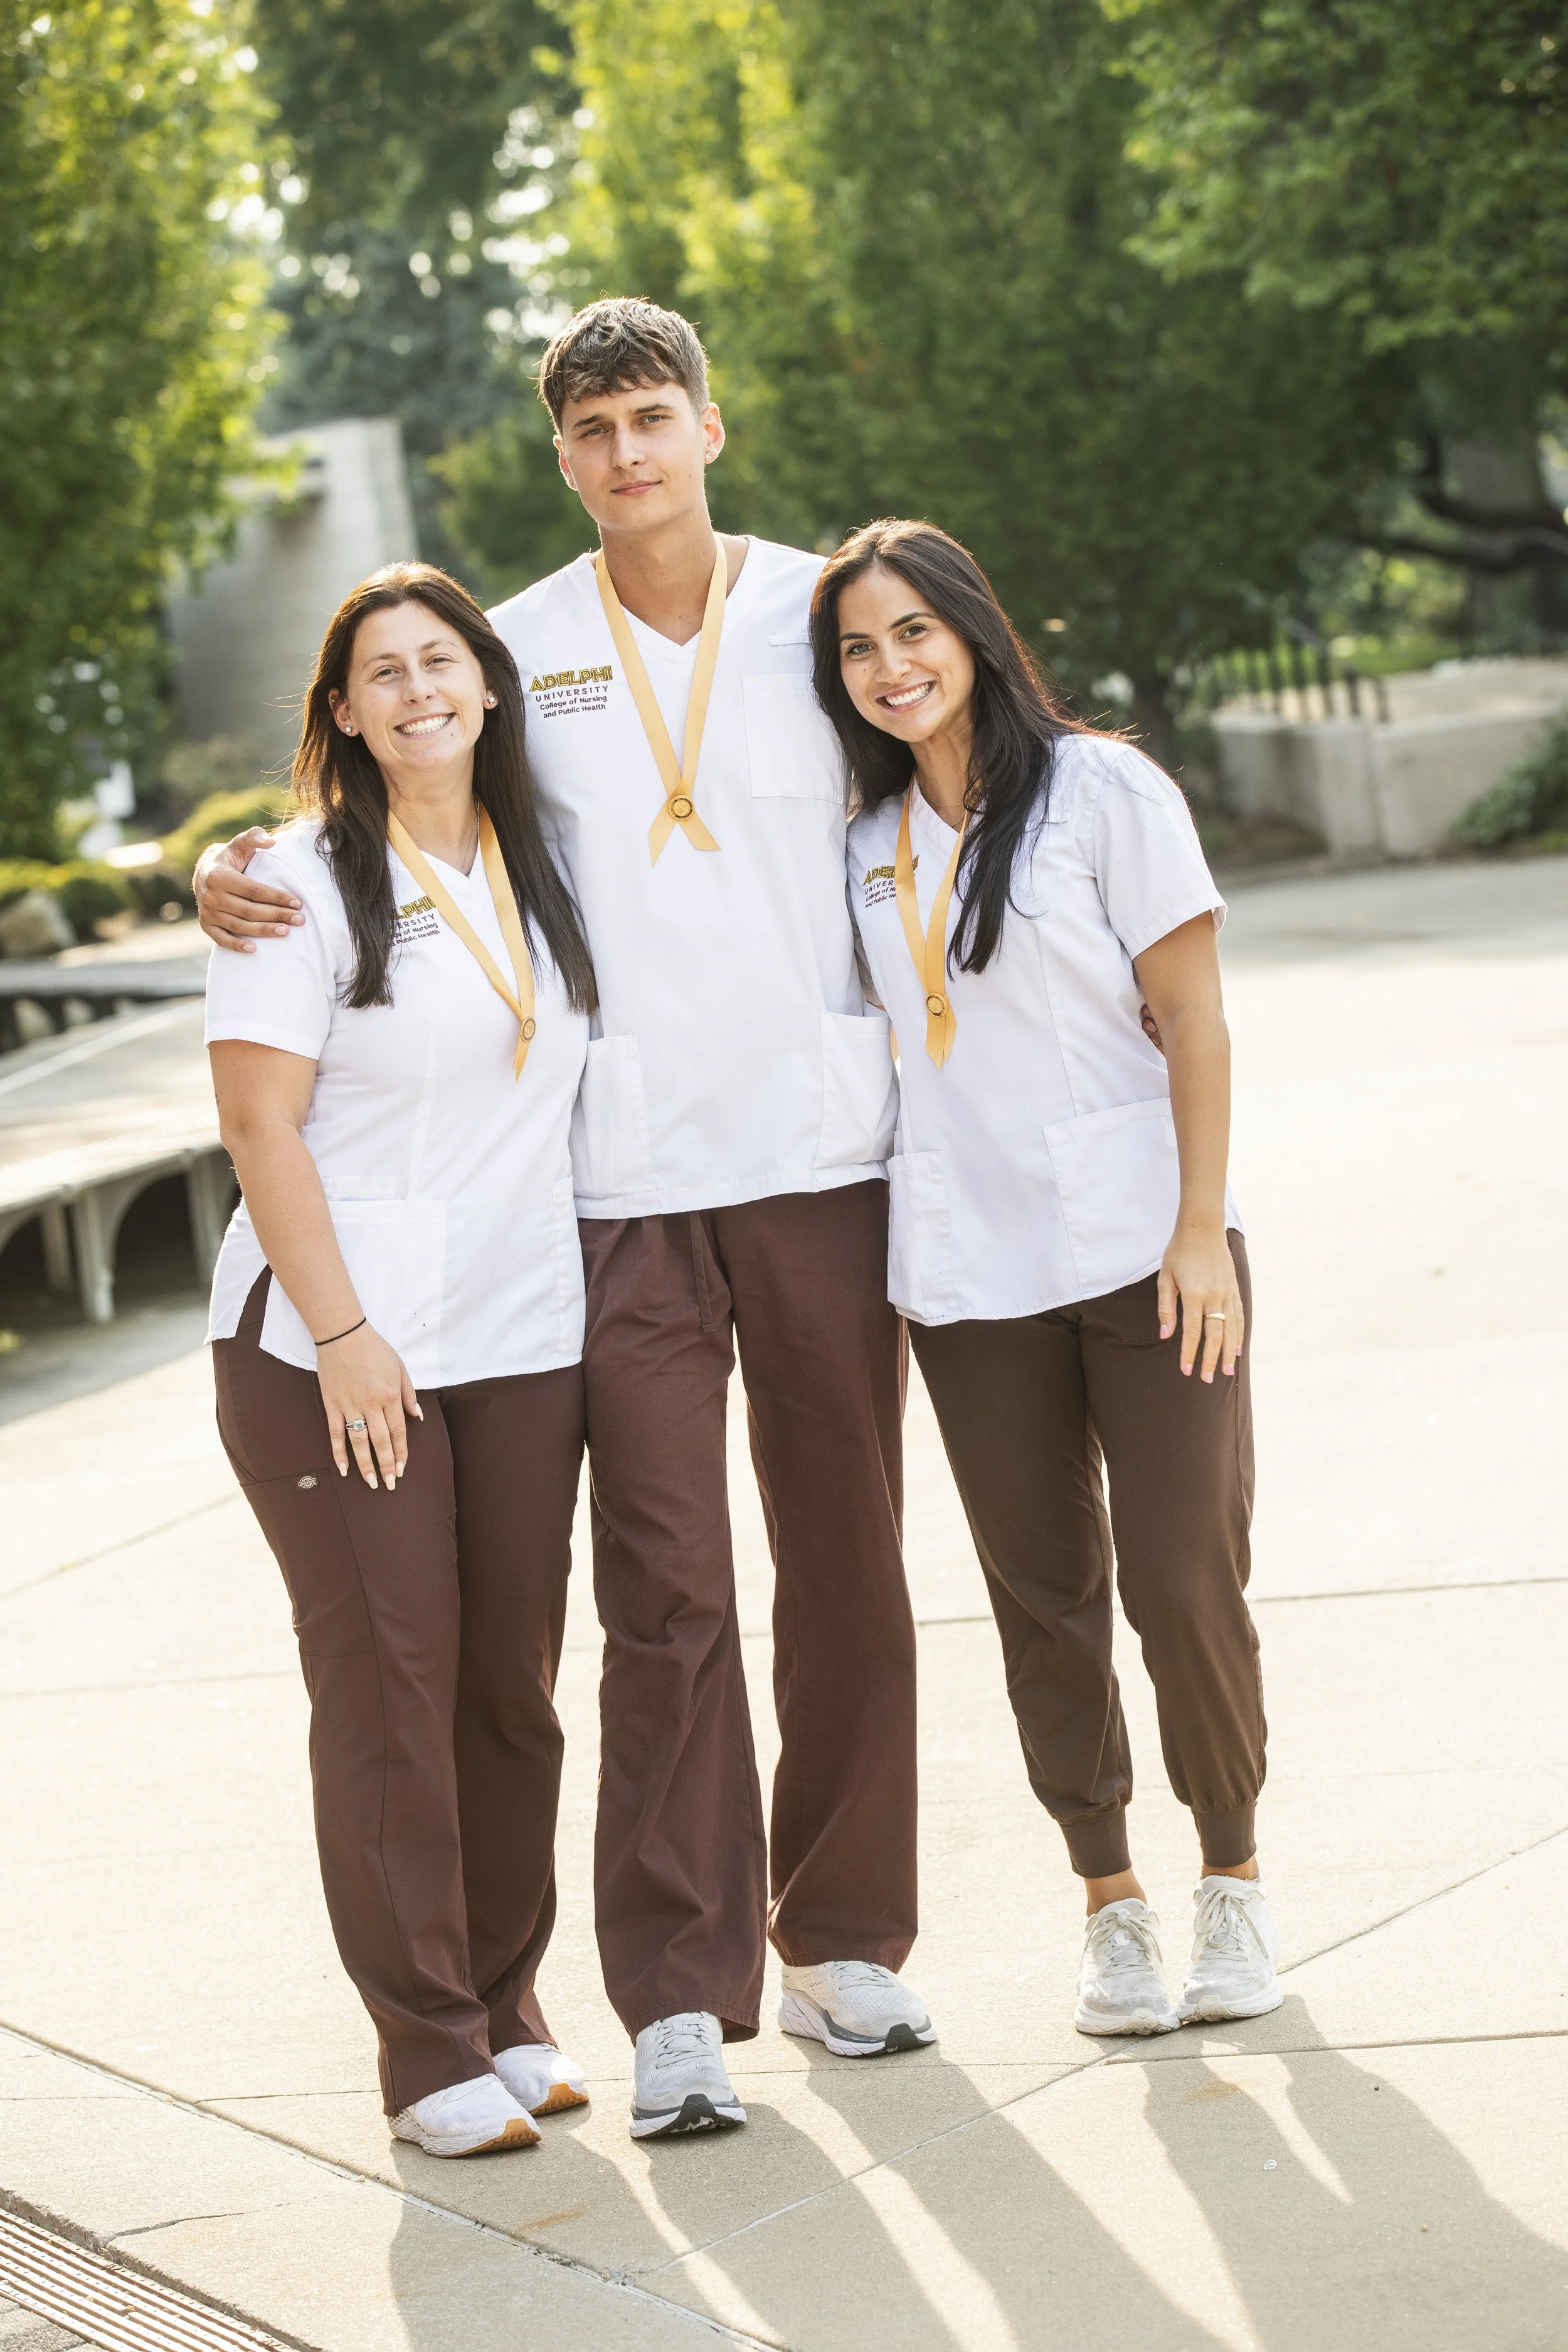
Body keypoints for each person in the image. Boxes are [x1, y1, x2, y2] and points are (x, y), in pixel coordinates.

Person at [194, 300, 932, 2142]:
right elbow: (380, 811)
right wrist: (217, 866)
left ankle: (843, 1934)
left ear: (710, 421)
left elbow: (958, 751)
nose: (625, 452)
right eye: (590, 427)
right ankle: (676, 1993)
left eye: (651, 416)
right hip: (618, 1199)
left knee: (845, 1553)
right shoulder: (512, 649)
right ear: (561, 456)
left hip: (824, 1158)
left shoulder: (817, 616)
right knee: (665, 1590)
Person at [813, 518, 1281, 2035]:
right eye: (856, 649)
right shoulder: (861, 843)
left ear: (972, 630)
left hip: (1152, 1251)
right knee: (1042, 1600)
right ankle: (1110, 1906)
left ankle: (1230, 1882)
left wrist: (1200, 1227)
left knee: (1180, 1577)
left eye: (910, 634)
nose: (889, 669)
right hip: (968, 1272)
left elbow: (1193, 1022)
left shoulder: (1101, 791)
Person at [205, 563, 600, 2156]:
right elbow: (257, 1123)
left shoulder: (546, 860)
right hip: (327, 1346)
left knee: (508, 1684)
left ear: (489, 686)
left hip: (517, 1335)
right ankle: (424, 2043)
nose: (419, 688)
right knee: (390, 1686)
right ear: (345, 714)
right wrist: (350, 1335)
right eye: (383, 671)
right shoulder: (290, 882)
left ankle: (506, 2005)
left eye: (444, 659)